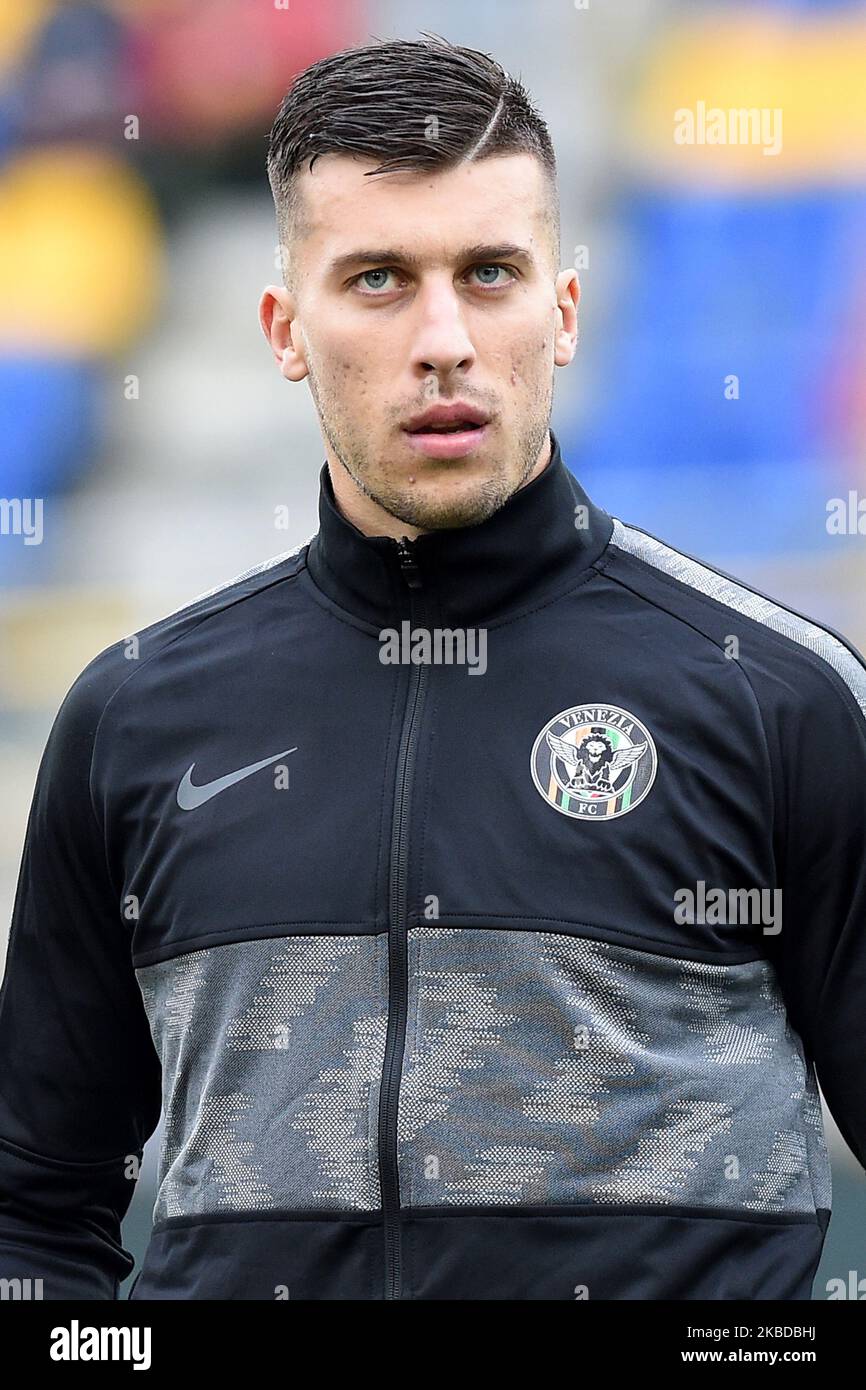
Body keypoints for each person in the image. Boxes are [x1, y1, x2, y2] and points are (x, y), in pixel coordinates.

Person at [0, 33, 863, 1302]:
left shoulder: (777, 695)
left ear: (561, 313)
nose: (444, 338)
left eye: (490, 272)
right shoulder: (132, 717)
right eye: (378, 280)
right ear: (284, 328)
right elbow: (33, 1212)